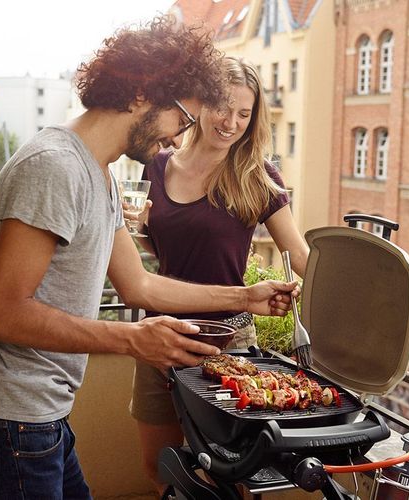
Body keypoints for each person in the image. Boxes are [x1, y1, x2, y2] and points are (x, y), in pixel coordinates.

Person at [0, 20, 298, 500]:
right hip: (7, 420)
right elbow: (2, 313)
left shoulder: (101, 175)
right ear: (141, 94)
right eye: (183, 120)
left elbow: (140, 287)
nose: (178, 139)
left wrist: (245, 297)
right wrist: (133, 338)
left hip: (40, 416)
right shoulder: (54, 166)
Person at [128, 57, 310, 493]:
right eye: (222, 108)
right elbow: (156, 252)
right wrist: (137, 229)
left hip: (227, 342)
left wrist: (359, 293)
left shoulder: (259, 176)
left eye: (244, 114)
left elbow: (301, 255)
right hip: (160, 333)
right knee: (159, 467)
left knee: (231, 478)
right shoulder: (157, 166)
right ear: (200, 105)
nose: (231, 123)